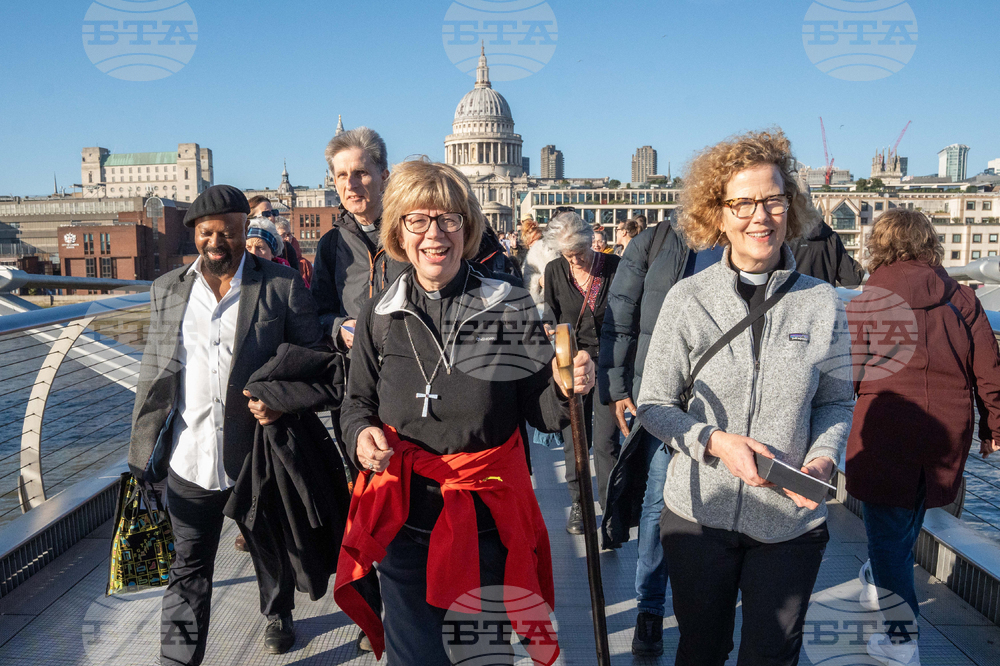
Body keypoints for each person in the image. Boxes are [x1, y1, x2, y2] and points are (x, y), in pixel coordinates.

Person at [333, 158, 595, 665]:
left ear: (467, 228)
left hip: (485, 525)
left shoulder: (509, 307)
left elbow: (542, 414)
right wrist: (361, 434)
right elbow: (356, 403)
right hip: (403, 526)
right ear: (399, 232)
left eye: (449, 219)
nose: (435, 234)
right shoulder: (378, 315)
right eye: (418, 220)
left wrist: (566, 390)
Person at [637, 129, 854, 666]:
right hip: (698, 514)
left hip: (788, 519)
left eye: (773, 200)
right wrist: (715, 443)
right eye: (743, 203)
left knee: (772, 655)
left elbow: (835, 401)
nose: (761, 216)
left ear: (791, 207)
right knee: (701, 650)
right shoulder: (687, 299)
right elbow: (654, 404)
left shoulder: (823, 302)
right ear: (719, 213)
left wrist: (824, 457)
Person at [127, 185, 327, 664]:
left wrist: (280, 402)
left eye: (230, 232)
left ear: (245, 233)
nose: (217, 242)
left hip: (256, 455)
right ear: (194, 234)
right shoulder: (167, 289)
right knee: (187, 569)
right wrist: (140, 454)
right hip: (188, 458)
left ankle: (278, 611)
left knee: (267, 548)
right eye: (207, 232)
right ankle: (177, 659)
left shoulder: (280, 286)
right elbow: (154, 375)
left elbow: (316, 363)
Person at [845, 209, 1000, 665]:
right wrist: (994, 427)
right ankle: (882, 577)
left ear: (881, 245)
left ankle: (900, 638)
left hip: (888, 421)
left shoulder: (868, 297)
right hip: (948, 424)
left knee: (886, 527)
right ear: (930, 241)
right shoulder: (964, 297)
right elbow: (989, 372)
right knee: (910, 511)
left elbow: (851, 371)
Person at [598, 213, 722, 656]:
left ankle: (707, 608)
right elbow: (620, 319)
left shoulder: (746, 245)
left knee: (720, 507)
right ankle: (649, 609)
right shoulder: (654, 243)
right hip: (661, 396)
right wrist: (616, 390)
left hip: (729, 404)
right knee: (658, 500)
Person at [543, 211, 621, 533]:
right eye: (567, 255)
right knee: (573, 440)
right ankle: (580, 503)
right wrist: (548, 329)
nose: (574, 261)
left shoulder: (614, 268)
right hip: (571, 366)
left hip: (604, 363)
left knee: (605, 443)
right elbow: (550, 310)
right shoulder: (554, 270)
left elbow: (625, 320)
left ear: (591, 242)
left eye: (579, 253)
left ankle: (610, 508)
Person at [312, 126, 405, 354]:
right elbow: (317, 314)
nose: (351, 185)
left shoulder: (411, 235)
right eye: (342, 175)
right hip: (354, 372)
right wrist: (339, 327)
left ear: (384, 177)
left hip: (407, 368)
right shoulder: (331, 244)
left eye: (360, 173)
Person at [793, 219, 865, 287]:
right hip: (824, 297)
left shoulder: (787, 239)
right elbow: (852, 279)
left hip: (792, 297)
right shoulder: (831, 238)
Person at [247, 196, 298, 271]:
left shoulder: (286, 248)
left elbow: (296, 277)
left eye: (274, 213)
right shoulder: (239, 242)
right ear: (250, 218)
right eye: (266, 214)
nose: (271, 218)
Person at [274, 216, 313, 288]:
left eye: (289, 234)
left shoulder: (304, 264)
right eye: (283, 235)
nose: (288, 238)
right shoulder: (271, 259)